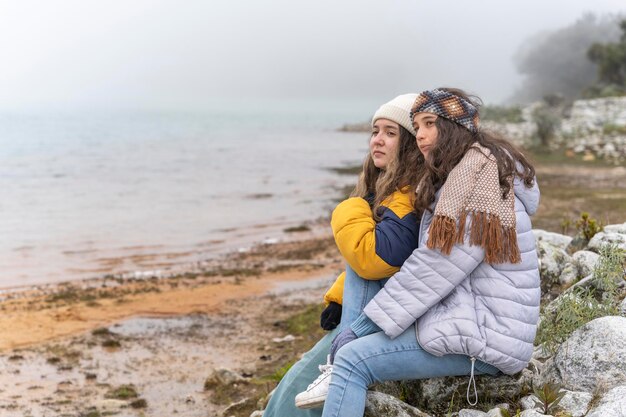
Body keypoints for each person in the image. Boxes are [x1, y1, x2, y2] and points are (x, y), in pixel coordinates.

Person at [307, 88, 540, 417]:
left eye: (430, 123)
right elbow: (427, 266)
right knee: (364, 261)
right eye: (416, 126)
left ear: (454, 128)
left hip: (485, 339)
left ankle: (337, 369)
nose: (420, 135)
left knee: (351, 359)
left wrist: (358, 330)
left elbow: (434, 269)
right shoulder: (466, 176)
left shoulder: (478, 186)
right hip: (468, 319)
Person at [263, 93, 424, 417]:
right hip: (376, 314)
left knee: (298, 387)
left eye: (390, 133)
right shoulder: (390, 189)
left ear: (410, 144)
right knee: (296, 383)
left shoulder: (407, 194)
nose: (377, 140)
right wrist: (339, 297)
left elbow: (373, 259)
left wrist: (351, 205)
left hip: (384, 322)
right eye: (375, 131)